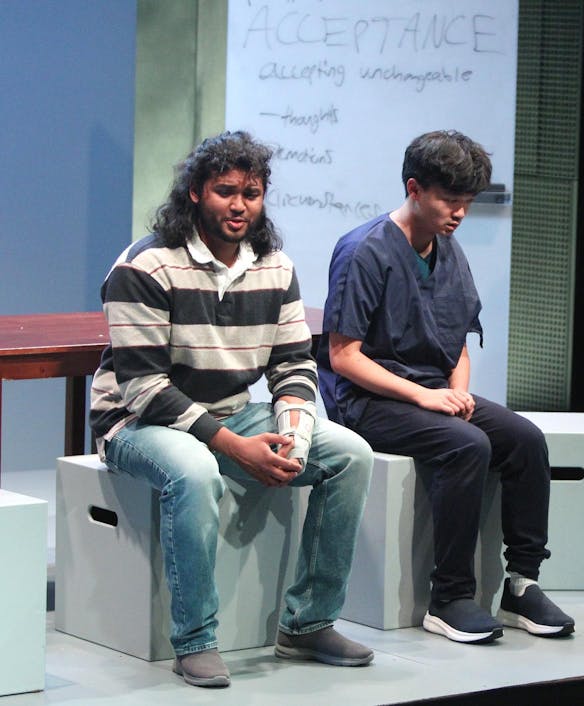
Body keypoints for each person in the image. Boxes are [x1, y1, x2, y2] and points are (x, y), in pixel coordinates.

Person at [89, 131, 375, 688]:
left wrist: (292, 431)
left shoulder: (275, 265)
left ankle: (308, 622)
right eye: (225, 191)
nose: (240, 205)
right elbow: (144, 386)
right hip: (135, 421)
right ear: (196, 192)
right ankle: (194, 639)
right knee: (194, 472)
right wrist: (231, 445)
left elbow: (294, 363)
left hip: (231, 411)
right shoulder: (146, 266)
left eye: (252, 192)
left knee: (350, 455)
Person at [318, 129, 574, 644]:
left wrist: (455, 394)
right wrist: (425, 398)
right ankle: (450, 596)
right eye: (448, 200)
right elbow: (342, 357)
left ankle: (521, 584)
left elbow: (457, 341)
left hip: (431, 393)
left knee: (525, 439)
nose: (458, 212)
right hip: (368, 401)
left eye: (466, 202)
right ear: (414, 188)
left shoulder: (449, 250)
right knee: (467, 445)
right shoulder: (365, 251)